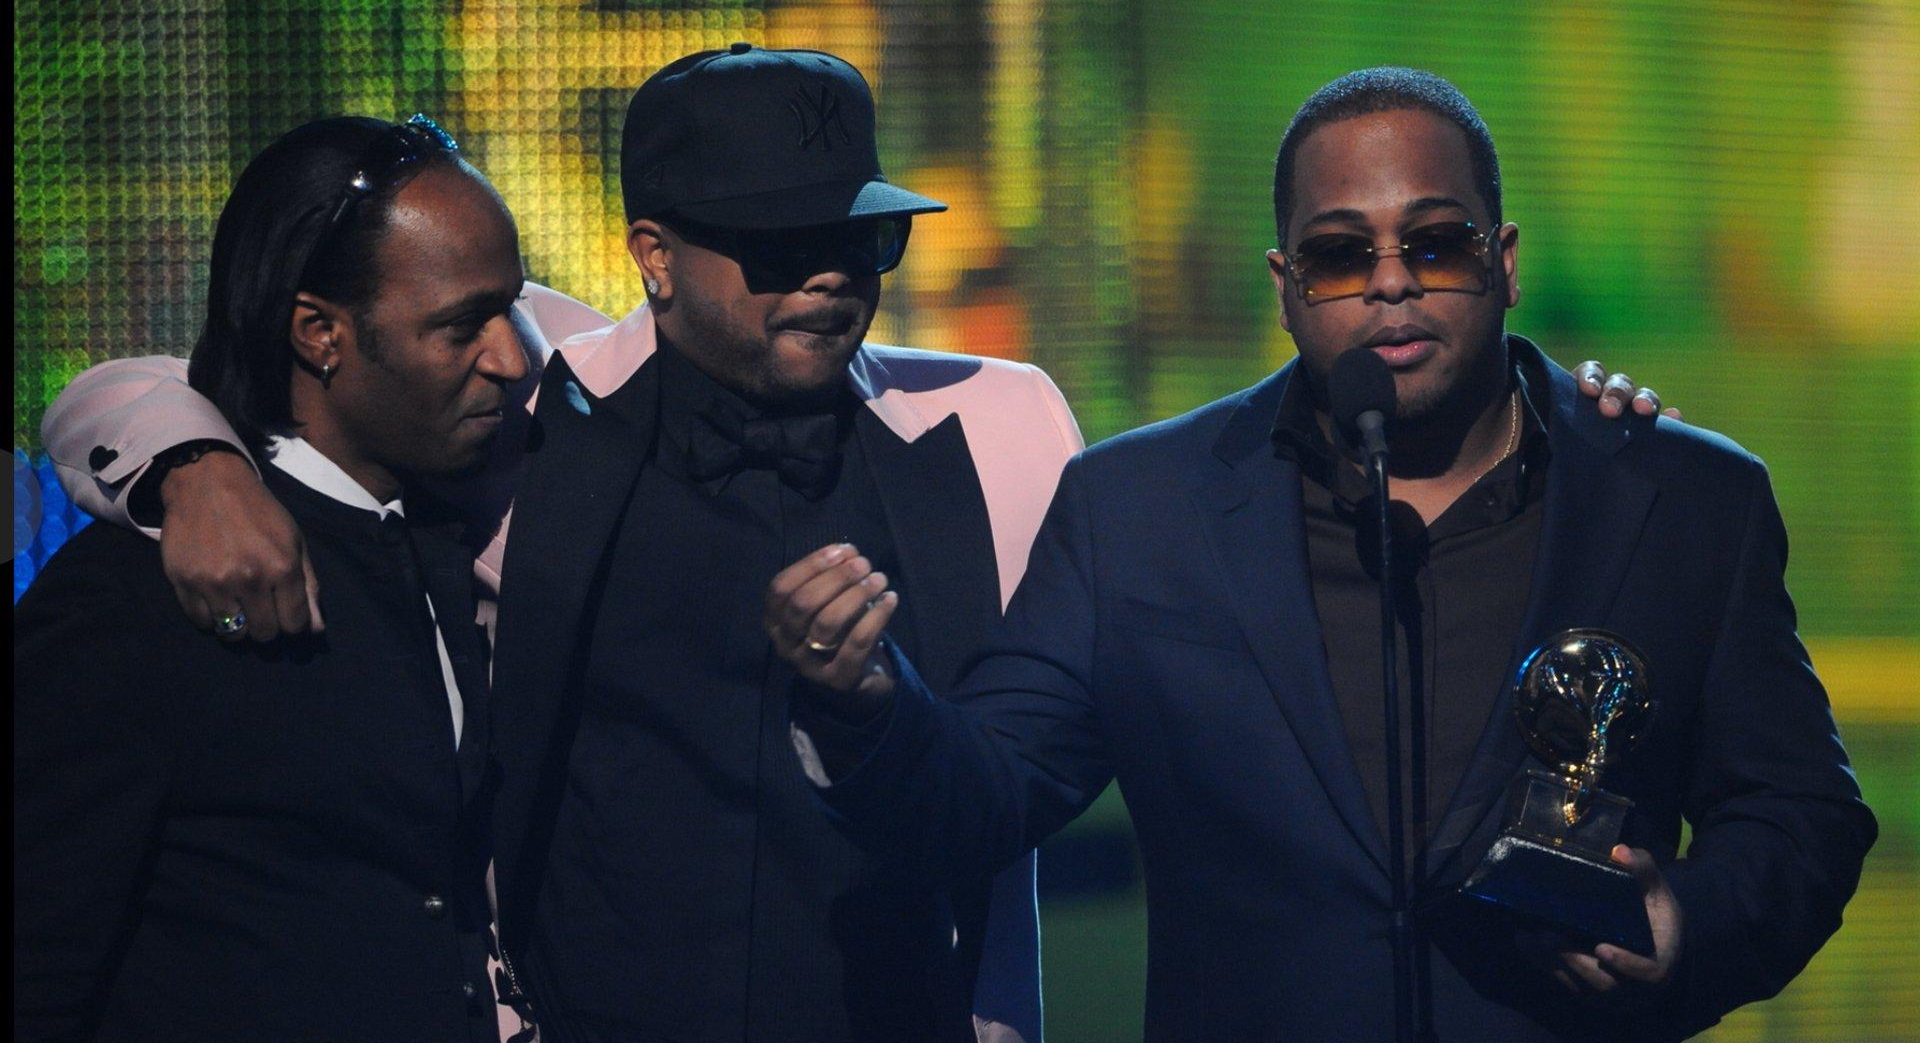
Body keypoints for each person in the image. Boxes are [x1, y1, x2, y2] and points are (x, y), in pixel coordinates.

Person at [36, 52, 1667, 1042]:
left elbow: (1261, 475)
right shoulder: (535, 395)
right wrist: (191, 464)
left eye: (858, 237)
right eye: (778, 246)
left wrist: (1547, 422)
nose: (827, 274)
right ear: (655, 258)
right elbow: (184, 371)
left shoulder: (1007, 430)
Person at [765, 67, 1876, 1041]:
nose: (1390, 282)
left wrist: (1691, 921)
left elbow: (1800, 817)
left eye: (1434, 243)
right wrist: (866, 703)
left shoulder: (1682, 496)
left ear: (1504, 262)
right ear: (1286, 285)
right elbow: (990, 789)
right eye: (1341, 256)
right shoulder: (1138, 508)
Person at [14, 115, 527, 1041]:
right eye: (461, 328)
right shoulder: (132, 593)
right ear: (319, 333)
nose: (511, 357)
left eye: (511, 308)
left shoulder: (436, 538)